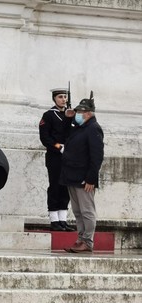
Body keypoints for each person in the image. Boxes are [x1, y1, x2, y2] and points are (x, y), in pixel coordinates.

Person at [61, 94, 104, 253]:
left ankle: (88, 241)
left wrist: (91, 178)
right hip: (72, 176)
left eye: (80, 112)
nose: (78, 114)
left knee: (87, 211)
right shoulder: (79, 127)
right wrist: (68, 117)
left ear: (88, 113)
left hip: (84, 178)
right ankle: (80, 239)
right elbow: (64, 133)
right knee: (78, 211)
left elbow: (97, 156)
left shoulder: (93, 128)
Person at [39, 88, 75, 231]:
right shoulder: (48, 115)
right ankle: (54, 220)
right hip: (55, 156)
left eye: (65, 97)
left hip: (68, 157)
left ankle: (63, 220)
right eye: (60, 97)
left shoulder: (71, 114)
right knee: (55, 186)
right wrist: (59, 147)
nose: (63, 99)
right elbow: (45, 137)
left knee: (65, 187)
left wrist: (69, 118)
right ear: (54, 99)